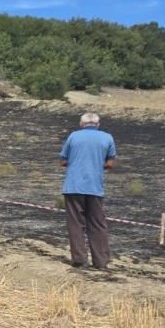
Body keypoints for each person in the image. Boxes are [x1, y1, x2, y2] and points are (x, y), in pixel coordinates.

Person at [59, 112, 117, 270]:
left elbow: (63, 161)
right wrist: (98, 164)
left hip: (73, 186)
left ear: (81, 123)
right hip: (95, 187)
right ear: (98, 124)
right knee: (98, 224)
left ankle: (79, 259)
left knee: (75, 223)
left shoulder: (73, 137)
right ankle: (101, 261)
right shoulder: (107, 138)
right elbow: (111, 164)